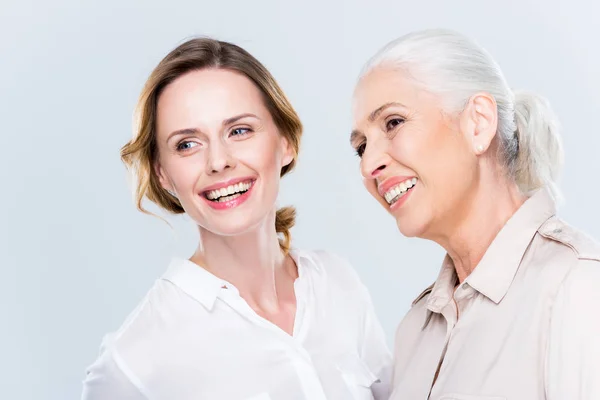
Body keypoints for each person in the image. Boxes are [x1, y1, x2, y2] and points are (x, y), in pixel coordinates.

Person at [82, 38, 391, 400]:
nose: (218, 161)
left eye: (239, 130)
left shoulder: (338, 284)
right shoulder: (135, 360)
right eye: (187, 144)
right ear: (162, 173)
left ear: (285, 141)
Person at [350, 29, 600, 399]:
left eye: (393, 123)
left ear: (478, 122)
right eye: (361, 147)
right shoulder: (416, 329)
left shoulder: (577, 288)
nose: (369, 163)